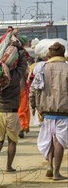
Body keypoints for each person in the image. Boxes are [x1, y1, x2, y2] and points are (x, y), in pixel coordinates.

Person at [30, 42, 68, 180]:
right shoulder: (67, 68)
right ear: (63, 53)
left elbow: (33, 90)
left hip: (46, 112)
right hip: (64, 112)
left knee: (49, 140)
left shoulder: (41, 68)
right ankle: (57, 173)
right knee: (60, 141)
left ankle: (49, 165)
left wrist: (34, 107)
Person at [0, 46, 27, 172]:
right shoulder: (14, 75)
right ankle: (8, 166)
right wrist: (19, 49)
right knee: (12, 141)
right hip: (11, 112)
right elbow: (22, 66)